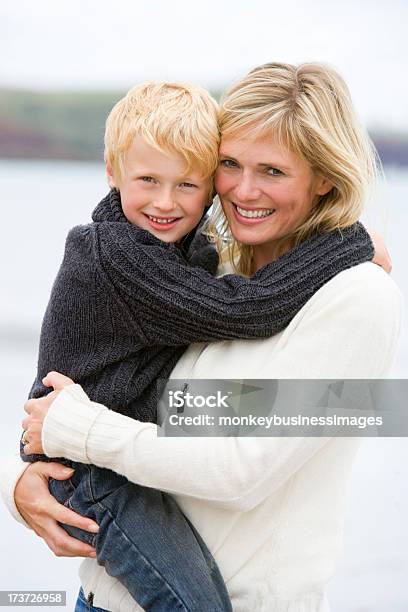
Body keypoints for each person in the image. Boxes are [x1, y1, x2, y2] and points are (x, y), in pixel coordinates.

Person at [1, 63, 402, 612]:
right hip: (101, 598)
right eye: (230, 164)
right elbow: (165, 411)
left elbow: (238, 470)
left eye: (273, 171)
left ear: (325, 178)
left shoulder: (356, 300)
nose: (244, 189)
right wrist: (22, 484)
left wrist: (76, 428)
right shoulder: (203, 271)